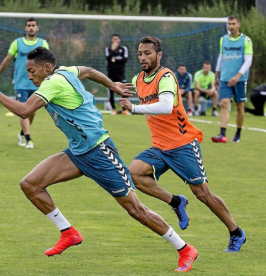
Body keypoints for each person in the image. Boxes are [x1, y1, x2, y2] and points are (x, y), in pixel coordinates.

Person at [0, 47, 198, 272]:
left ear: (46, 68)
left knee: (135, 209)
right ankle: (68, 233)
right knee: (31, 185)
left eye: (32, 71)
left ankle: (185, 248)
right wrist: (112, 85)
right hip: (78, 152)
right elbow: (89, 71)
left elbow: (24, 111)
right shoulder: (66, 71)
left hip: (100, 152)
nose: (29, 76)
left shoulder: (52, 82)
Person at [120, 36, 246, 253]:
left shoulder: (166, 76)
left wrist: (133, 108)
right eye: (140, 53)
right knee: (135, 174)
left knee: (203, 194)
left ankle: (236, 232)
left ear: (159, 55)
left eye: (148, 53)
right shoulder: (138, 79)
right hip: (159, 147)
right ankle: (176, 201)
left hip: (183, 145)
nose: (143, 57)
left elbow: (167, 106)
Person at [0, 17, 49, 149]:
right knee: (23, 110)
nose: (31, 27)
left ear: (37, 28)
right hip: (21, 84)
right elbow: (7, 60)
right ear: (25, 28)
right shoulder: (17, 43)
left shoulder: (42, 43)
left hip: (36, 84)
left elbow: (47, 63)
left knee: (32, 112)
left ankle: (22, 133)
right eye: (28, 25)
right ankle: (28, 138)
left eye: (33, 25)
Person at [212, 15, 253, 143]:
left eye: (234, 24)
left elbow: (248, 61)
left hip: (240, 80)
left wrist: (237, 76)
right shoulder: (223, 40)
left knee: (240, 106)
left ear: (239, 24)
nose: (231, 26)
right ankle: (222, 134)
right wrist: (216, 76)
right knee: (224, 104)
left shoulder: (246, 40)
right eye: (229, 24)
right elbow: (221, 58)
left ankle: (238, 134)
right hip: (224, 78)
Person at [105, 34, 130, 115]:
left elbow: (125, 59)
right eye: (114, 39)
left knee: (124, 90)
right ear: (112, 40)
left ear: (119, 40)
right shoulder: (108, 49)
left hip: (120, 73)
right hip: (111, 73)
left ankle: (125, 109)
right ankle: (113, 109)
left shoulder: (123, 49)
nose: (115, 40)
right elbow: (108, 58)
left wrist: (114, 59)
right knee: (111, 90)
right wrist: (113, 50)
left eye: (117, 39)